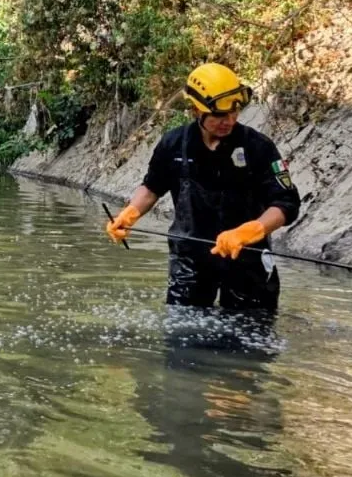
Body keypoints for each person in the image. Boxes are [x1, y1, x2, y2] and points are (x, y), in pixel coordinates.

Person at [105, 63, 301, 310]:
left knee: (250, 337)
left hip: (248, 263)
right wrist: (129, 215)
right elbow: (152, 188)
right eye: (220, 115)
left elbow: (286, 203)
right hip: (190, 261)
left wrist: (251, 231)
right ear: (196, 110)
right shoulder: (173, 144)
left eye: (235, 112)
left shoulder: (258, 147)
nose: (229, 121)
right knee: (183, 336)